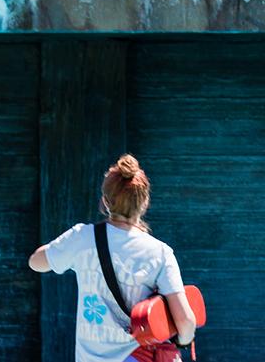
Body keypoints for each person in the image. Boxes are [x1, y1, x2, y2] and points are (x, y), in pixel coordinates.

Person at [28, 154, 197, 362]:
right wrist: (183, 341)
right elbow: (186, 321)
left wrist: (65, 246)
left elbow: (35, 262)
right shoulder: (160, 253)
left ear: (106, 202)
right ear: (144, 202)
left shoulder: (82, 238)